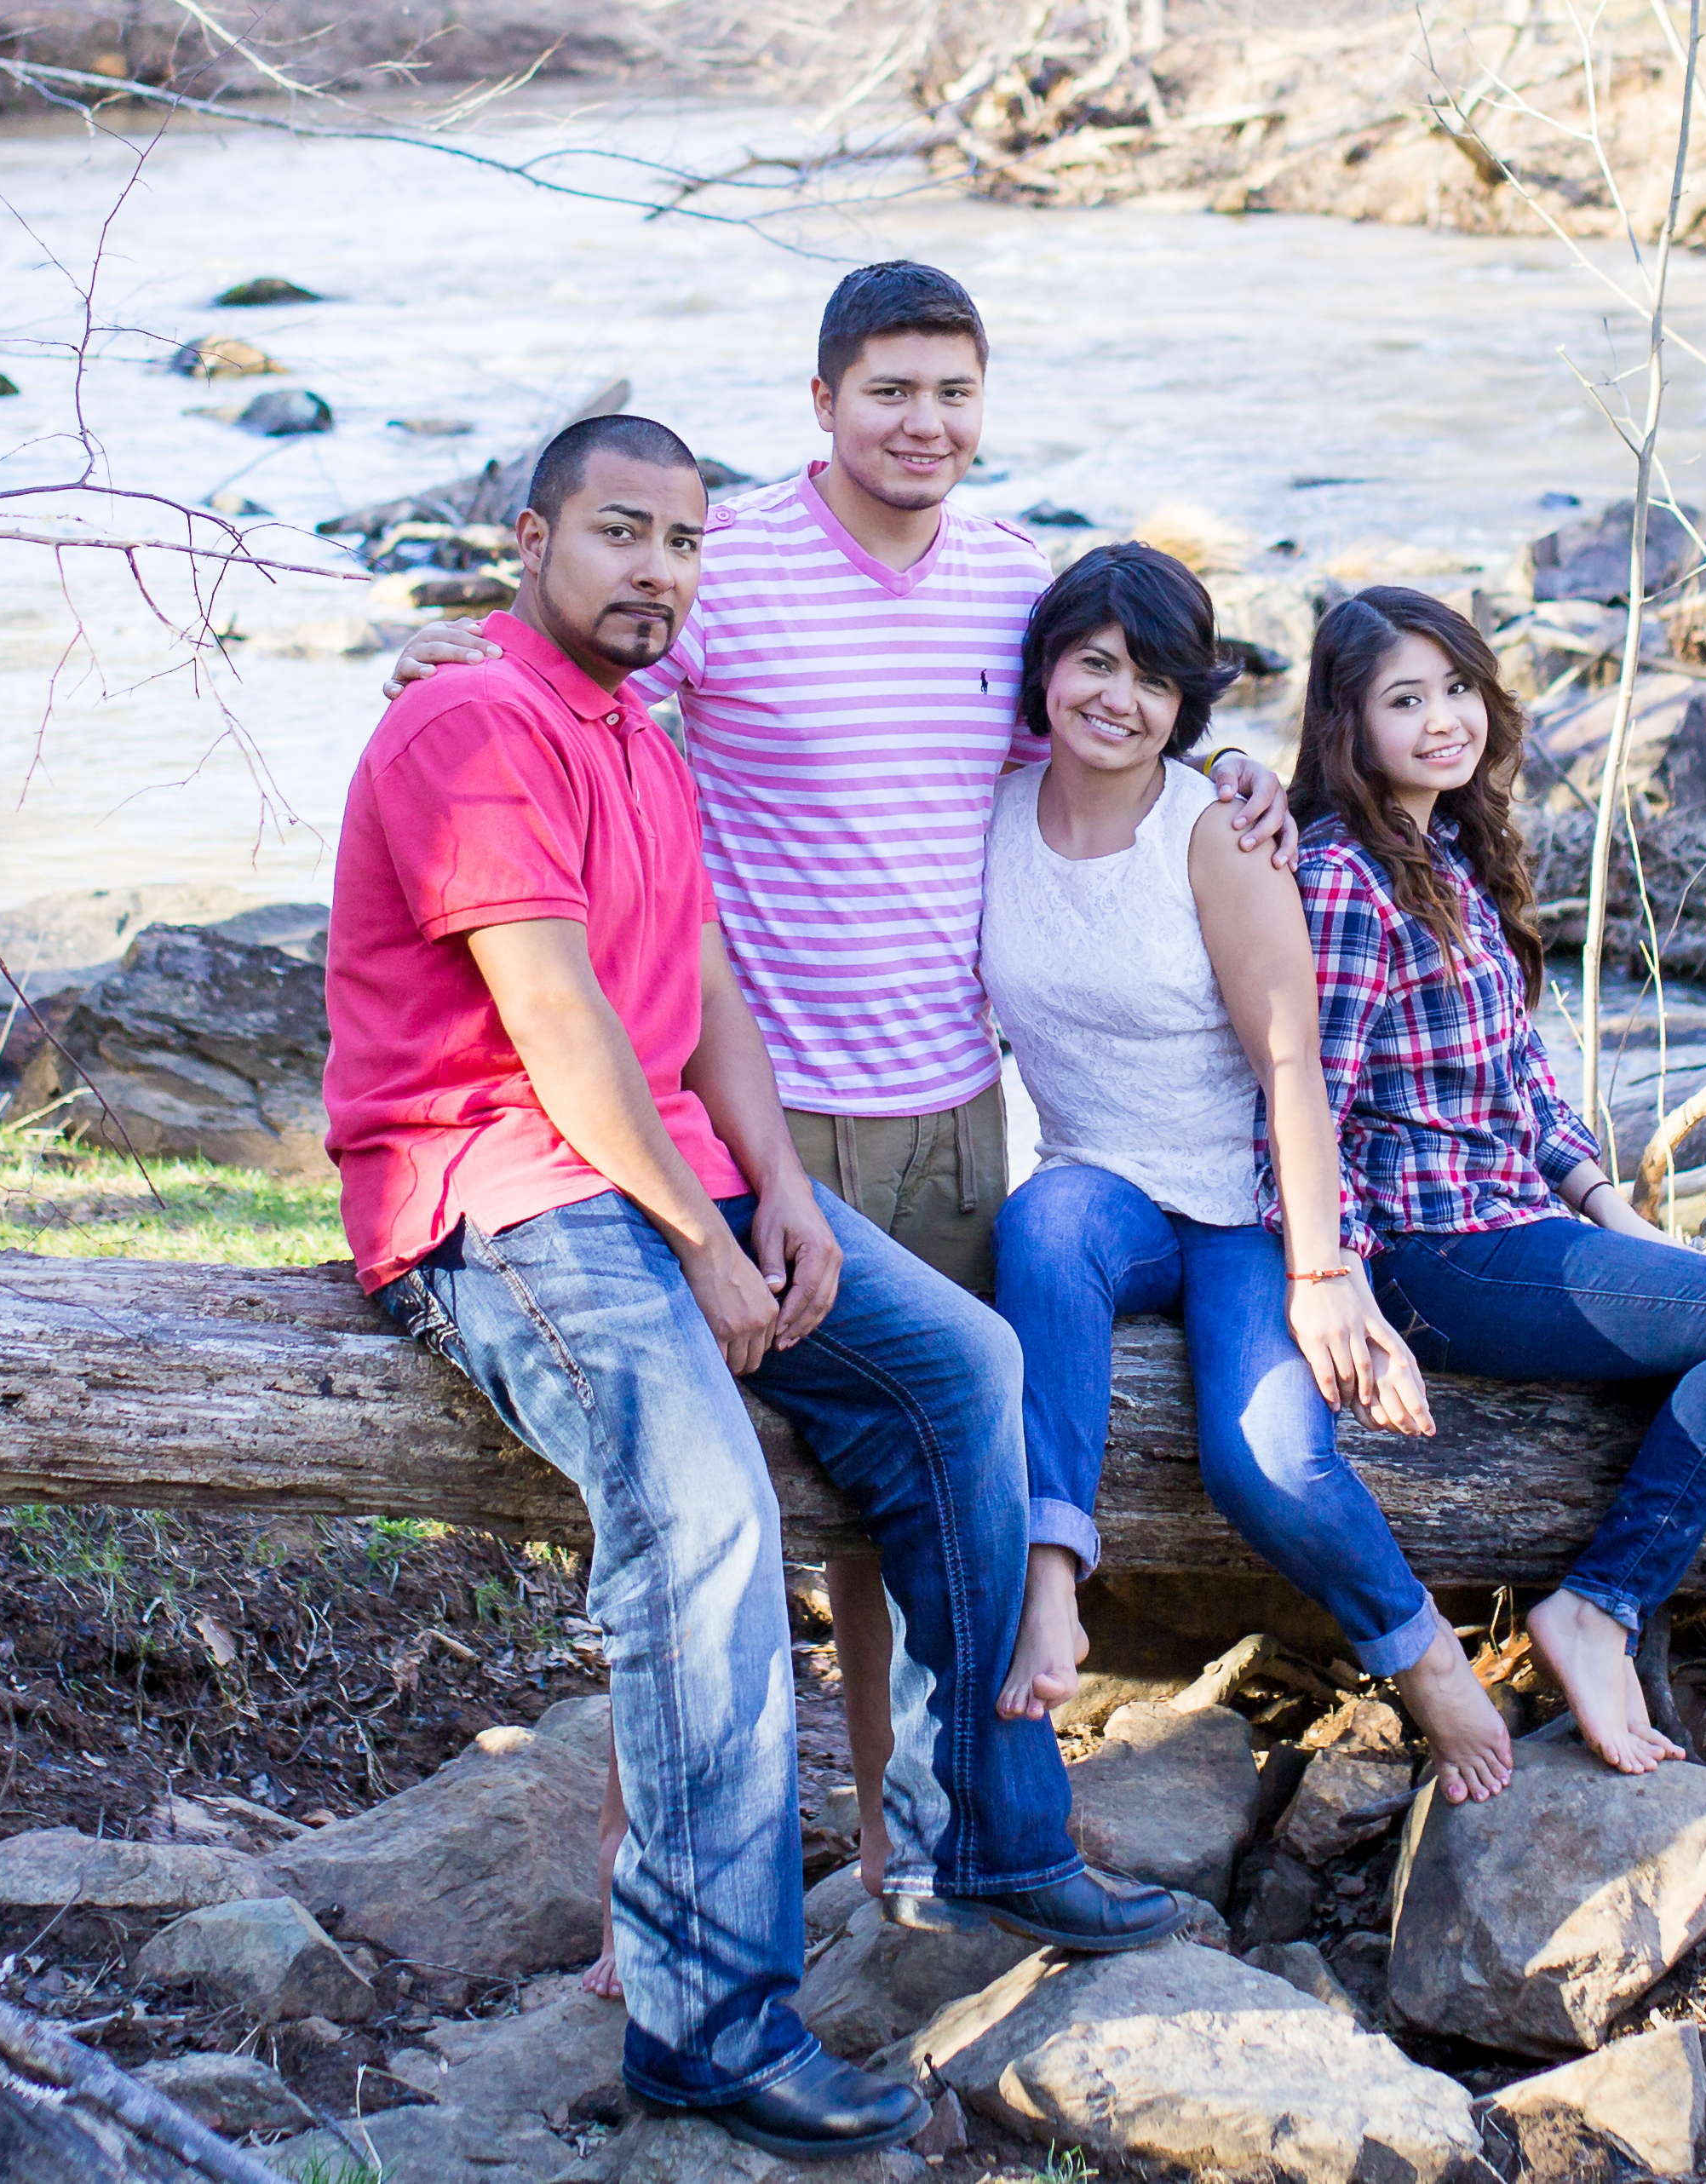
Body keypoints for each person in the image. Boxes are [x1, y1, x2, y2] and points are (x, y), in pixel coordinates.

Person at [386, 264, 1297, 1968]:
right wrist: (468, 668)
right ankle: (633, 1897)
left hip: (954, 1105)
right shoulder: (725, 571)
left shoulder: (1016, 583)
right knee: (689, 1497)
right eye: (891, 390)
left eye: (955, 390)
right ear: (822, 403)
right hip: (751, 1118)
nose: (925, 422)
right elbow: (592, 717)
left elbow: (1109, 737)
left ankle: (909, 1845)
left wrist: (1241, 772)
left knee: (919, 1494)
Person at [328, 413, 1182, 2162]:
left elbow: (702, 968)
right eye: (621, 533)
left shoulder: (633, 726)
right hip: (499, 1191)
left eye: (682, 544)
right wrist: (706, 1243)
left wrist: (776, 1190)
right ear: (531, 538)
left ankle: (989, 1834)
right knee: (707, 1517)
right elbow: (556, 1019)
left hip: (675, 1176)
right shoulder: (473, 721)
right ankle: (706, 2019)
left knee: (962, 1368)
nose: (656, 570)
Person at [977, 544, 1515, 1802]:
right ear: (1046, 671)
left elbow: (1292, 1062)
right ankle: (1050, 1582)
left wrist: (1325, 1271)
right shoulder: (991, 808)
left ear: (1188, 705)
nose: (1119, 699)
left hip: (1244, 1211)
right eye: (1095, 665)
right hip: (1102, 1190)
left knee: (1267, 1457)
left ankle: (1421, 1651)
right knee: (1043, 1225)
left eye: (1155, 680)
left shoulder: (1216, 829)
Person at [1288, 585, 1706, 1775]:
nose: (1442, 720)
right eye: (1403, 699)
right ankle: (1596, 1604)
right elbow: (1301, 1103)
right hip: (1431, 1255)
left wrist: (1615, 1210)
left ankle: (1600, 1605)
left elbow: (1526, 1089)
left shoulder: (1443, 856)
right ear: (1344, 724)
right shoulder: (1339, 878)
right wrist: (1336, 1284)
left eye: (1457, 689)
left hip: (1511, 1223)